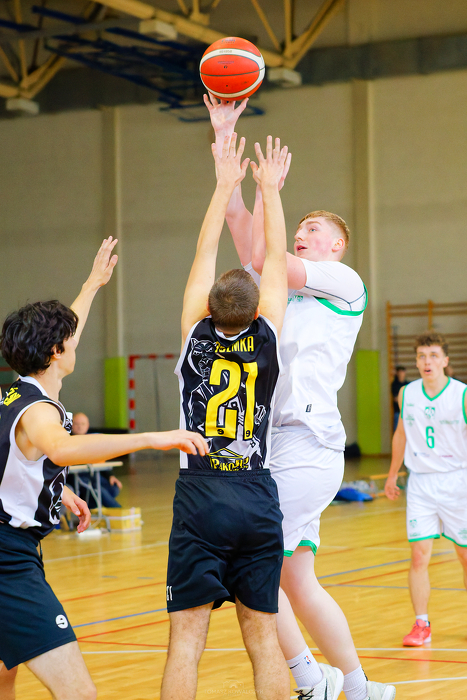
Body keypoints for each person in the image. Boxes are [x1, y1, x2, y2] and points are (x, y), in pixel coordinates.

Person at [204, 93, 396, 700]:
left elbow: (267, 253)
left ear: (336, 245)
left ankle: (311, 682)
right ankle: (360, 688)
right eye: (300, 227)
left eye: (315, 229)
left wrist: (272, 194)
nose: (303, 234)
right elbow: (243, 231)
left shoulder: (345, 283)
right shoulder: (278, 285)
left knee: (249, 566)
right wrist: (225, 139)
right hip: (280, 445)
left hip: (305, 442)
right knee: (297, 580)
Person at [0, 237, 207, 700]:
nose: (76, 343)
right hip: (8, 562)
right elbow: (61, 449)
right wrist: (153, 438)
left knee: (3, 676)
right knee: (81, 694)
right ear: (56, 352)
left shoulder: (14, 394)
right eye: (69, 341)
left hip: (10, 546)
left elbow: (18, 460)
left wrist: (93, 284)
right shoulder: (39, 411)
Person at [161, 132, 293, 700]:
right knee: (264, 640)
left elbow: (205, 251)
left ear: (209, 306)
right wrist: (270, 191)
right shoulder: (270, 334)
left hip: (201, 492)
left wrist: (224, 187)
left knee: (186, 642)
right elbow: (277, 260)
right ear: (257, 309)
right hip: (257, 492)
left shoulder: (194, 331)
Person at [385, 331, 467, 646]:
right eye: (421, 356)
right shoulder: (407, 394)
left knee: (464, 556)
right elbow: (401, 434)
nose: (427, 361)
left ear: (445, 360)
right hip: (420, 482)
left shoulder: (461, 394)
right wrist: (393, 474)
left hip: (457, 481)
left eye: (433, 355)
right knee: (419, 556)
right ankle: (421, 624)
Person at [71, 412, 123, 509]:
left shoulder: (92, 440)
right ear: (71, 425)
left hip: (94, 475)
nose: (80, 427)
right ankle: (119, 511)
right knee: (97, 490)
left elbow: (101, 459)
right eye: (76, 424)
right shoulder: (67, 441)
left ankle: (92, 507)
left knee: (113, 488)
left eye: (82, 424)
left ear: (87, 426)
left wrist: (110, 475)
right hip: (76, 477)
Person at [391, 366, 409, 431]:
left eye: (402, 372)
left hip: (407, 411)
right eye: (400, 372)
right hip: (398, 412)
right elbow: (395, 398)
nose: (401, 374)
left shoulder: (407, 384)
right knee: (397, 429)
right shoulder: (394, 385)